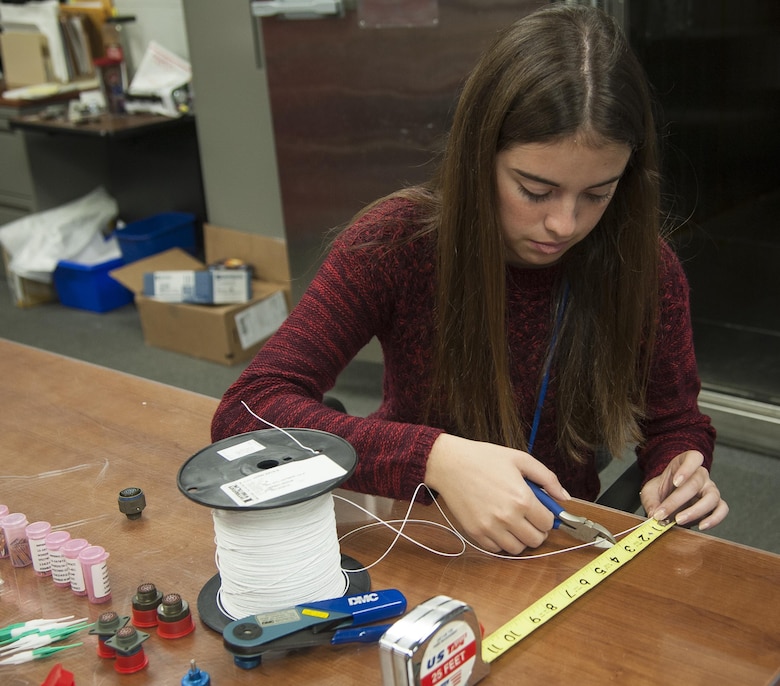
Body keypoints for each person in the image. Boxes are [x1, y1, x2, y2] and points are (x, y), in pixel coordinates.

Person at [211, 4, 729, 553]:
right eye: (534, 190)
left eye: (598, 194)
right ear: (479, 155)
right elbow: (246, 411)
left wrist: (678, 469)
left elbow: (675, 421)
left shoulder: (645, 269)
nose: (564, 224)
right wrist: (434, 458)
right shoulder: (395, 244)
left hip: (555, 543)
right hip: (412, 532)